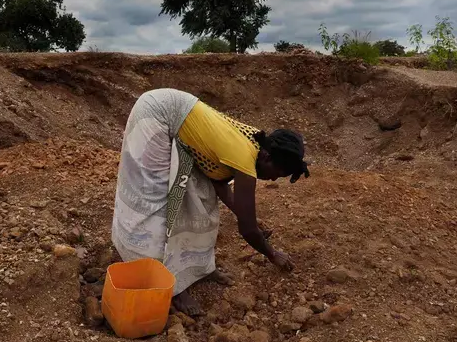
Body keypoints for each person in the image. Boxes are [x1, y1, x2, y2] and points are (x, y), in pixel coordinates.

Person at [111, 88, 310, 316]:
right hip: (156, 114)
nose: (274, 178)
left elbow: (219, 184)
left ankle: (197, 267)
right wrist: (272, 254)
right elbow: (246, 230)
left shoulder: (258, 144)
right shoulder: (245, 157)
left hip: (173, 112)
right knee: (155, 202)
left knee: (202, 198)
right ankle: (170, 284)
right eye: (278, 171)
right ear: (267, 157)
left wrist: (248, 217)